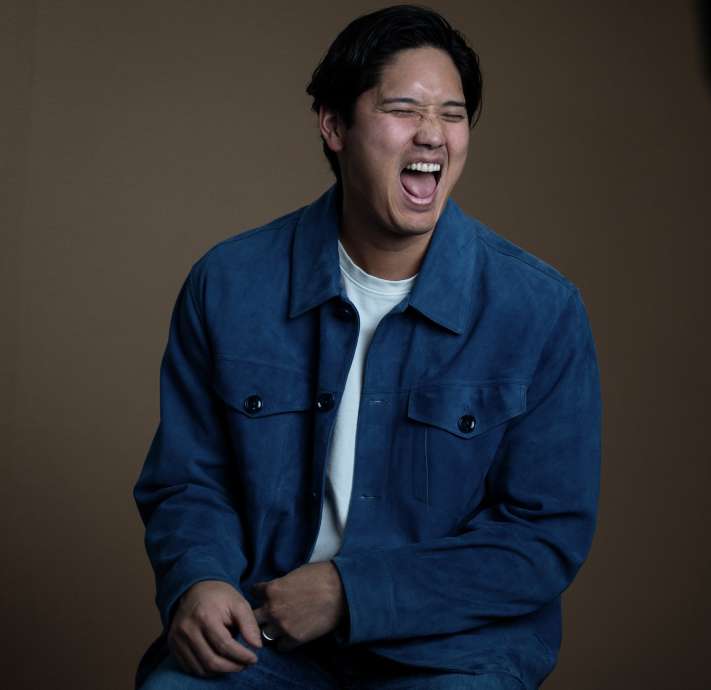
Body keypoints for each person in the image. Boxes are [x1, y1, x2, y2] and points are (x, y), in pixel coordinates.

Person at [131, 6, 602, 689]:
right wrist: (197, 581)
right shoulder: (230, 285)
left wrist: (351, 593)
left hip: (453, 653)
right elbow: (189, 479)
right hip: (266, 645)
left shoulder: (540, 311)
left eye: (454, 113)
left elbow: (543, 536)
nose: (433, 136)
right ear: (334, 125)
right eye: (404, 109)